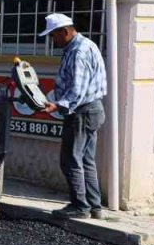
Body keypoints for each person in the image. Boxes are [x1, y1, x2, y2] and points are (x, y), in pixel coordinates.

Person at [38, 12, 108, 220]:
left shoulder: (79, 51)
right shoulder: (83, 45)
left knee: (70, 159)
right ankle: (94, 206)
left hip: (82, 111)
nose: (53, 40)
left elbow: (78, 88)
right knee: (86, 159)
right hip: (90, 110)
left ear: (65, 31)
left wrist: (58, 106)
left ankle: (80, 206)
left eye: (54, 35)